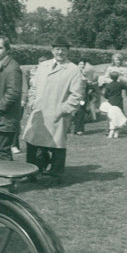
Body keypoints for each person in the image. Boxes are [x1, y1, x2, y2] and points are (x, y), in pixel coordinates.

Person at [20, 38, 84, 185]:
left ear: (68, 51)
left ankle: (56, 174)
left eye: (63, 49)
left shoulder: (73, 70)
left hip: (58, 113)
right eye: (57, 49)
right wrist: (32, 102)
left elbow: (76, 95)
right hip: (39, 112)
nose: (60, 52)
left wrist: (63, 110)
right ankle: (32, 172)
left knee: (57, 145)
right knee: (32, 142)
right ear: (52, 50)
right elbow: (34, 87)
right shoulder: (43, 66)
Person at [102, 72, 127, 138]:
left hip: (111, 102)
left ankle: (108, 130)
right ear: (118, 77)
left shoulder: (108, 85)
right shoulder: (120, 84)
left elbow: (105, 94)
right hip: (119, 102)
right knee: (119, 115)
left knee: (110, 116)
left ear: (110, 77)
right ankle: (120, 129)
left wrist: (107, 97)